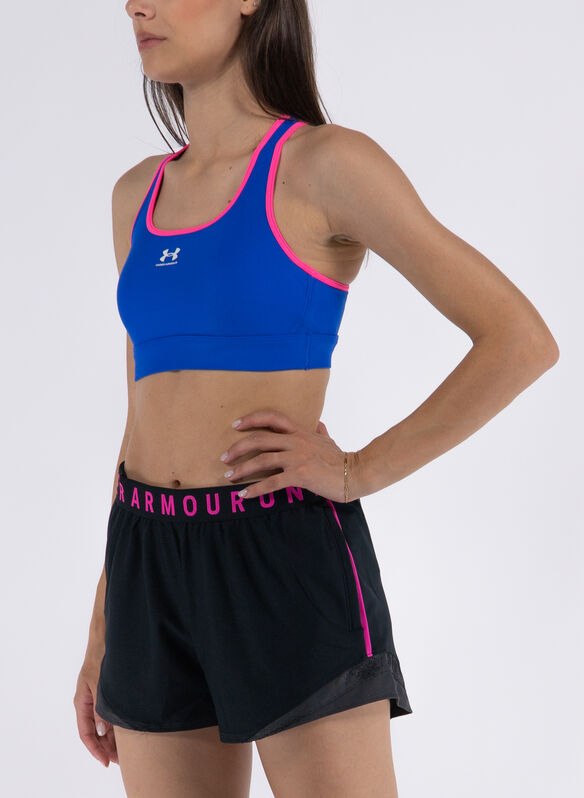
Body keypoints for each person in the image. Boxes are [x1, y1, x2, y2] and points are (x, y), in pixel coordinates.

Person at [73, 1, 559, 796]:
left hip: (278, 551)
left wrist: (359, 470)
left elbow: (519, 339)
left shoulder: (325, 166)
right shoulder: (137, 195)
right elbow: (140, 418)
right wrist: (104, 624)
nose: (136, 4)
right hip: (145, 560)